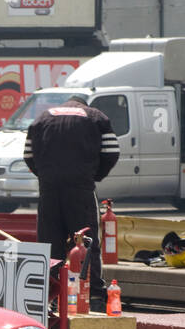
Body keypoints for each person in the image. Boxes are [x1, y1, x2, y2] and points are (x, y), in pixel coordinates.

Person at [23, 95, 119, 310]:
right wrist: (94, 176)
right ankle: (92, 295)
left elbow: (28, 154)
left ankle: (50, 297)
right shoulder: (96, 117)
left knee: (49, 245)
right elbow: (112, 152)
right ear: (85, 104)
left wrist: (45, 176)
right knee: (86, 242)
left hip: (48, 191)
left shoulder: (42, 118)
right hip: (81, 190)